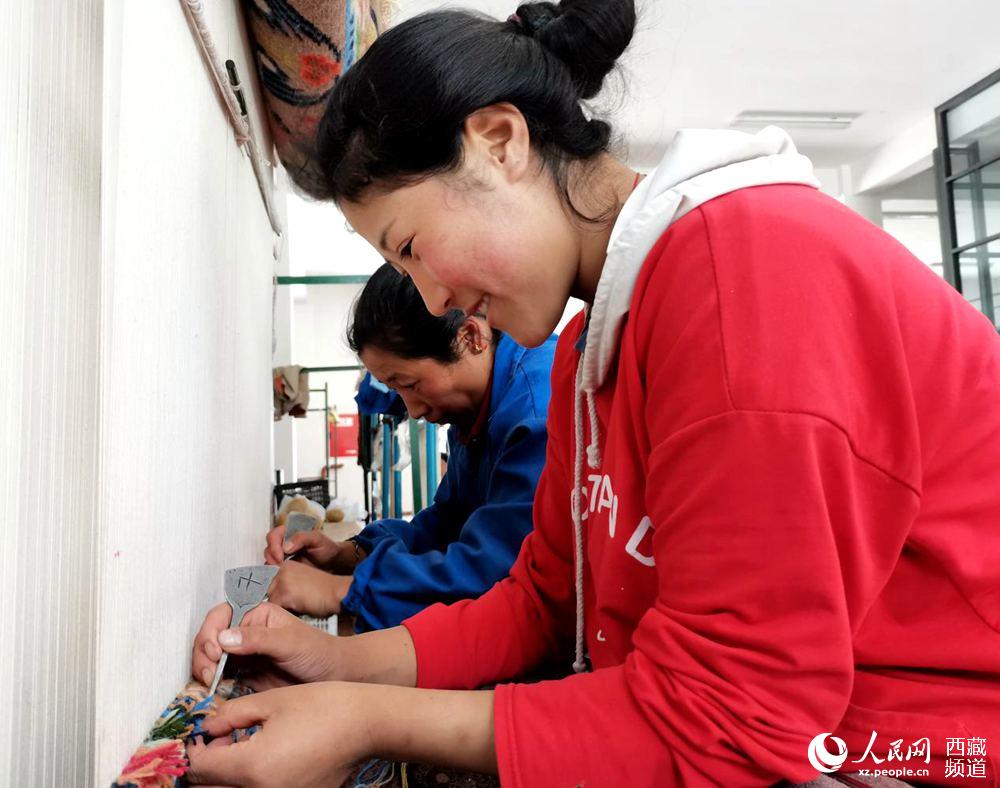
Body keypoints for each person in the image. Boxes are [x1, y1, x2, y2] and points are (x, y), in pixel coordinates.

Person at [188, 1, 1000, 785]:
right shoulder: (589, 347)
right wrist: (333, 664)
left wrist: (363, 719)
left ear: (499, 141)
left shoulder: (745, 279)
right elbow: (544, 601)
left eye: (412, 248)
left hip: (925, 752)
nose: (432, 300)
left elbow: (731, 722)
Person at [262, 263, 557, 632]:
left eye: (410, 383)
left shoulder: (537, 412)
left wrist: (341, 591)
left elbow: (493, 570)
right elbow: (445, 523)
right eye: (395, 389)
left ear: (470, 337)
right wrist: (348, 554)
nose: (413, 410)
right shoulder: (473, 410)